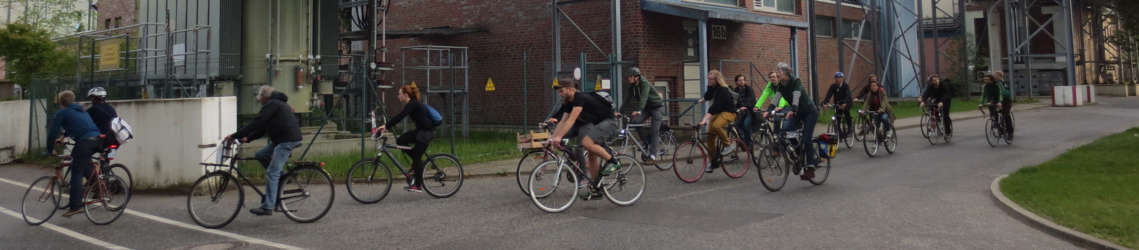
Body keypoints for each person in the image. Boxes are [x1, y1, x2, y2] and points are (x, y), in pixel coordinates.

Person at [228, 86, 303, 216]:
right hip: (281, 139)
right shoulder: (276, 104)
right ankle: (282, 178)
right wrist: (246, 138)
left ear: (265, 97)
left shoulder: (272, 104)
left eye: (260, 97)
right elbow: (262, 128)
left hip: (286, 140)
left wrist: (234, 135)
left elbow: (257, 122)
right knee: (260, 155)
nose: (259, 100)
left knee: (271, 173)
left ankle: (268, 206)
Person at [548, 74, 620, 200]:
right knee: (592, 155)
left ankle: (613, 161)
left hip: (609, 122)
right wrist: (553, 137)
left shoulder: (579, 97)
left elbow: (571, 120)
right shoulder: (568, 102)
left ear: (570, 89)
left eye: (561, 91)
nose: (560, 94)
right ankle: (597, 187)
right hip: (597, 124)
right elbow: (563, 121)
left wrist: (558, 138)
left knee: (586, 142)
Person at [45, 90, 102, 217]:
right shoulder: (81, 110)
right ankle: (99, 187)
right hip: (97, 140)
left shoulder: (62, 112)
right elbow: (78, 125)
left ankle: (75, 206)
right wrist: (65, 136)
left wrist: (50, 149)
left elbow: (52, 133)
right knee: (84, 164)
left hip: (85, 142)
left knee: (76, 172)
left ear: (60, 103)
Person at [762, 63, 820, 179]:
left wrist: (793, 109)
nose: (777, 73)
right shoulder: (781, 86)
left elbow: (796, 95)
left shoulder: (795, 81)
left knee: (806, 138)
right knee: (785, 132)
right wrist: (768, 111)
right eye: (776, 70)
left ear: (786, 73)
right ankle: (798, 154)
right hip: (797, 113)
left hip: (809, 112)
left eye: (779, 71)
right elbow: (776, 99)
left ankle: (811, 167)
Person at [376, 84, 438, 193]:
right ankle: (416, 164)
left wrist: (386, 126)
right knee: (401, 140)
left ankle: (417, 185)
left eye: (399, 94)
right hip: (420, 131)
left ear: (405, 95)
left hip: (426, 133)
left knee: (417, 157)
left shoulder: (412, 104)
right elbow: (401, 116)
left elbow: (401, 116)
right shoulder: (412, 103)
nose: (397, 96)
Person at [617, 67, 665, 161]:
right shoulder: (632, 87)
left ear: (636, 77)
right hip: (646, 109)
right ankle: (647, 142)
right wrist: (620, 111)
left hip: (657, 107)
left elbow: (644, 97)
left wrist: (639, 110)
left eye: (630, 77)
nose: (628, 79)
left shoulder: (645, 84)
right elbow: (627, 99)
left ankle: (653, 155)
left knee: (654, 130)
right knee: (635, 121)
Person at [698, 70, 737, 173]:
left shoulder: (723, 90)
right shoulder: (712, 87)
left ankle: (729, 145)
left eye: (710, 79)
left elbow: (715, 106)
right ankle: (713, 162)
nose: (708, 81)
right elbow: (709, 95)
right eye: (708, 79)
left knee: (716, 125)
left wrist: (705, 119)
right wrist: (703, 99)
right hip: (719, 112)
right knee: (710, 137)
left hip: (729, 112)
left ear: (716, 80)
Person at [980, 73, 1013, 141]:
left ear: (991, 80)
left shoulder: (998, 84)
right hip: (994, 100)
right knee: (993, 114)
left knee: (1005, 115)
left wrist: (1000, 102)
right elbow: (983, 95)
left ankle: (1010, 133)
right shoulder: (985, 86)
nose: (985, 81)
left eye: (987, 79)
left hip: (1005, 100)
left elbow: (1000, 94)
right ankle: (998, 127)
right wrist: (981, 103)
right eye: (984, 79)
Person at [731, 74, 757, 147]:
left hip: (748, 111)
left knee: (746, 125)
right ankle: (742, 141)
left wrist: (745, 106)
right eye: (740, 80)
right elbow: (734, 101)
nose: (742, 81)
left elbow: (751, 99)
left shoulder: (749, 89)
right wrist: (737, 108)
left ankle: (749, 142)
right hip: (739, 112)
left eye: (743, 80)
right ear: (736, 82)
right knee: (737, 126)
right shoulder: (735, 90)